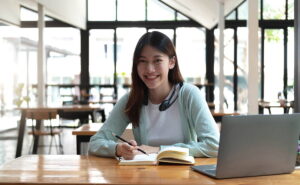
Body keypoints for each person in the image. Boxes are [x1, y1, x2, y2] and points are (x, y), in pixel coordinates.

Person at [89, 31, 219, 160]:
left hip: (185, 177)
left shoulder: (189, 95)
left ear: (171, 62)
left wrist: (159, 150)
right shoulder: (132, 99)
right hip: (146, 176)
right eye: (143, 61)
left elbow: (214, 146)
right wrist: (118, 149)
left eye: (157, 60)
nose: (150, 69)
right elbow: (95, 143)